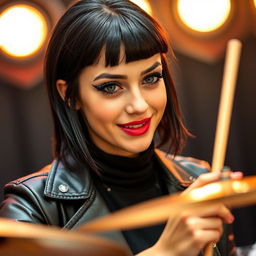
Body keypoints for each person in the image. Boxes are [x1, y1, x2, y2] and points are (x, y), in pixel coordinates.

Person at [0, 0, 243, 255]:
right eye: (111, 87)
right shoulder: (31, 208)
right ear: (70, 95)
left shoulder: (197, 181)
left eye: (151, 78)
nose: (139, 105)